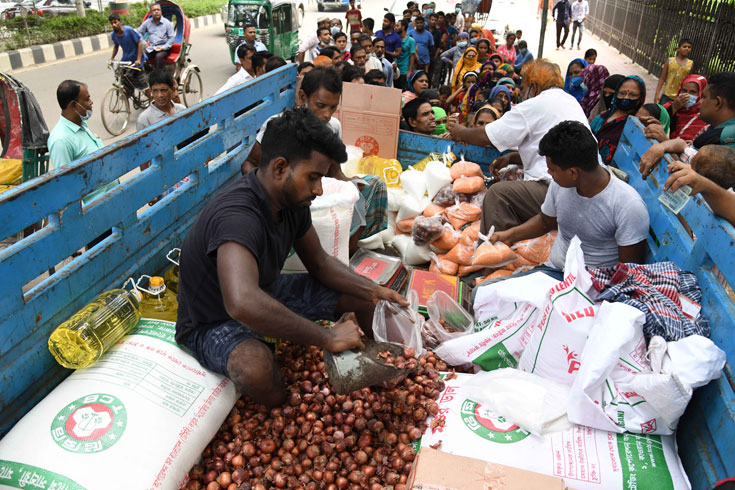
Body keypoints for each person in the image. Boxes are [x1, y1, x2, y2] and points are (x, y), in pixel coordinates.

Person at [175, 107, 407, 407]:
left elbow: (320, 263)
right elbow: (242, 302)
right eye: (313, 177)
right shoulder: (237, 216)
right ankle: (282, 408)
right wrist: (326, 338)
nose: (319, 189)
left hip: (267, 292)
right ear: (280, 167)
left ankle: (384, 365)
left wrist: (373, 289)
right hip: (213, 321)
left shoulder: (291, 202)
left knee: (363, 296)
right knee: (256, 370)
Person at [446, 59, 592, 233]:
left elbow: (487, 136)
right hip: (579, 187)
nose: (521, 93)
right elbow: (550, 149)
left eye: (523, 88)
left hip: (560, 189)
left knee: (498, 194)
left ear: (535, 87)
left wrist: (459, 131)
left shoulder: (537, 103)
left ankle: (493, 251)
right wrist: (512, 157)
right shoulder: (568, 100)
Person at [490, 120, 649, 278]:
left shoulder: (628, 205)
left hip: (593, 285)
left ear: (573, 173)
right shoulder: (560, 185)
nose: (548, 172)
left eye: (552, 169)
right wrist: (507, 235)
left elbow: (629, 272)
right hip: (554, 271)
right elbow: (545, 221)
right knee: (483, 293)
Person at [640, 72, 735, 177]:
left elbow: (702, 179)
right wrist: (666, 142)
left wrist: (680, 147)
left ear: (718, 102)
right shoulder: (710, 130)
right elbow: (685, 165)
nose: (700, 102)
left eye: (704, 97)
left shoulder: (727, 139)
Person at [48, 80, 118, 205]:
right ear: (74, 105)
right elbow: (66, 186)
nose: (91, 103)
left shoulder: (81, 125)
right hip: (97, 210)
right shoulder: (60, 140)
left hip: (113, 200)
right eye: (87, 99)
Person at [664, 147, 735, 225]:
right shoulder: (703, 164)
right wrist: (663, 146)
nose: (689, 168)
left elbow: (689, 234)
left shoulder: (726, 205)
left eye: (691, 167)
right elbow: (681, 145)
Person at [590, 75, 646, 165]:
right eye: (622, 93)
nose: (626, 97)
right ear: (616, 94)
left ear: (640, 99)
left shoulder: (636, 125)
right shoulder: (602, 117)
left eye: (632, 95)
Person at [663, 74, 709, 141]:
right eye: (684, 91)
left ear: (701, 94)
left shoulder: (702, 116)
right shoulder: (668, 106)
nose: (687, 95)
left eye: (692, 92)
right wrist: (673, 108)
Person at [136, 2, 174, 71]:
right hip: (152, 48)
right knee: (140, 55)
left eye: (158, 10)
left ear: (161, 11)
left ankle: (159, 76)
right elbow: (138, 33)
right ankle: (148, 73)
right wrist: (144, 43)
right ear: (151, 12)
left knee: (159, 56)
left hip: (164, 48)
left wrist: (162, 48)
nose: (156, 11)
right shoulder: (147, 23)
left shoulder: (167, 23)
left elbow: (171, 38)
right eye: (154, 10)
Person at [654, 39, 693, 104]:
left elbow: (689, 81)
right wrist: (657, 94)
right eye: (684, 46)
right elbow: (662, 78)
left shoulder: (690, 64)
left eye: (689, 47)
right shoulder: (670, 61)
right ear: (678, 49)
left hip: (680, 97)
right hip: (667, 95)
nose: (687, 49)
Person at [394, 19, 416, 90]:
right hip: (395, 70)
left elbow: (412, 56)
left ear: (403, 27)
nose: (396, 27)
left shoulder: (411, 41)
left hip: (404, 71)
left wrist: (409, 71)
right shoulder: (396, 39)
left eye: (398, 25)